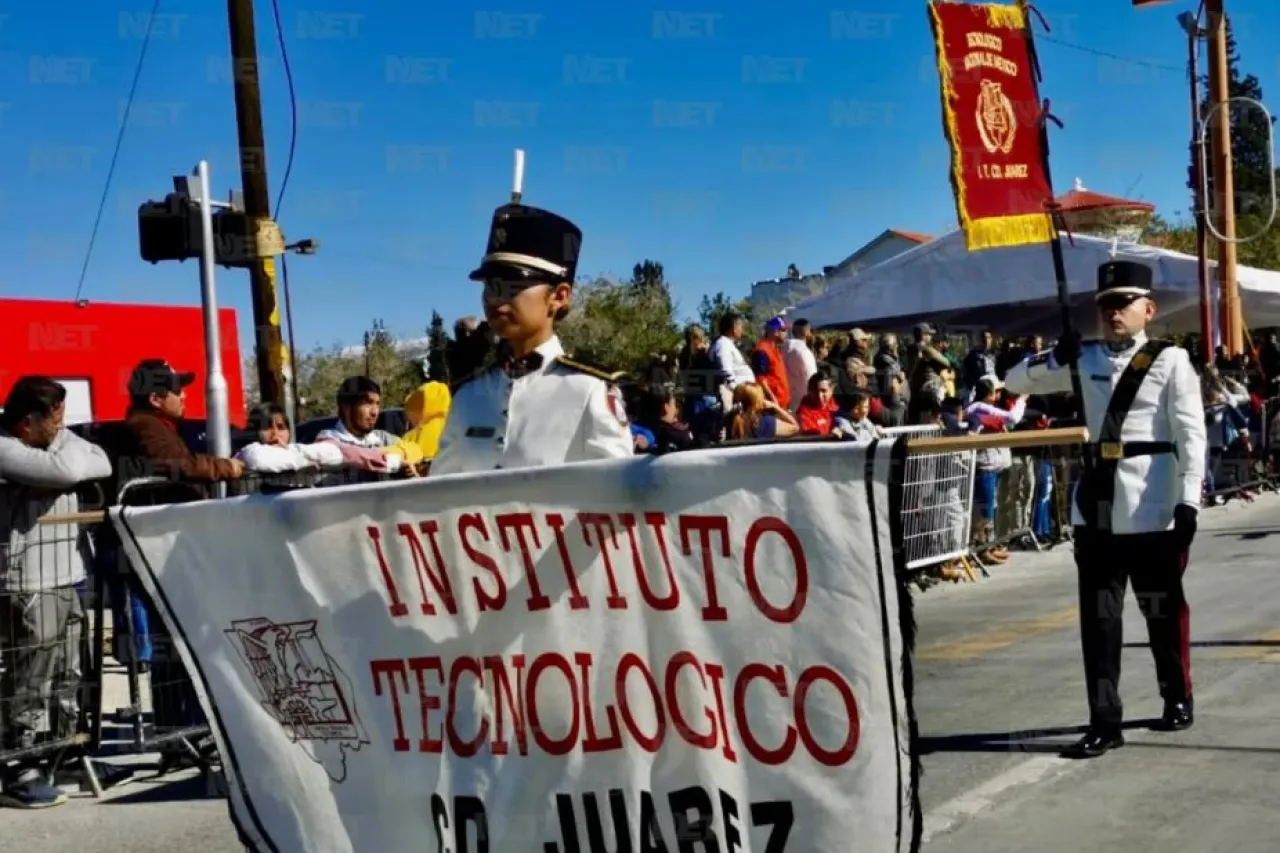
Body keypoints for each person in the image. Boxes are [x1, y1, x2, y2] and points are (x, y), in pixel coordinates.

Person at [1004, 259, 1206, 759]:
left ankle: (1176, 695)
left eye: (1124, 303)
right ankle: (1104, 720)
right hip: (1095, 507)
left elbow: (1191, 433)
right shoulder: (1083, 357)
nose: (1113, 313)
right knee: (1099, 622)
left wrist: (1189, 499)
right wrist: (1053, 358)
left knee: (1161, 611)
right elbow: (1012, 383)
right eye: (1106, 305)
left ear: (1148, 309)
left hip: (1152, 506)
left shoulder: (1170, 360)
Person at [0, 377, 135, 807]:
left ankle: (66, 751)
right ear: (25, 424)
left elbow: (102, 461)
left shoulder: (49, 438)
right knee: (30, 678)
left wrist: (60, 441)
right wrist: (65, 457)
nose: (63, 429)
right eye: (55, 421)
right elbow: (72, 469)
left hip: (68, 574)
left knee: (71, 674)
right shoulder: (4, 448)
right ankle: (18, 767)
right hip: (28, 583)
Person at [431, 200, 633, 475]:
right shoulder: (468, 396)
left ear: (559, 296)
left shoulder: (589, 390)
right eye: (490, 286)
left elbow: (617, 496)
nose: (495, 299)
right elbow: (438, 495)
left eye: (512, 286)